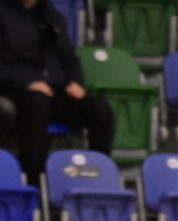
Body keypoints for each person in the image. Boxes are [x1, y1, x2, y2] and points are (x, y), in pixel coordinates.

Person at [0, 0, 115, 186]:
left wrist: (76, 82)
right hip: (16, 91)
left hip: (56, 90)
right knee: (37, 102)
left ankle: (100, 177)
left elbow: (70, 58)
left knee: (100, 109)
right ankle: (33, 180)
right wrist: (27, 82)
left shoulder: (52, 16)